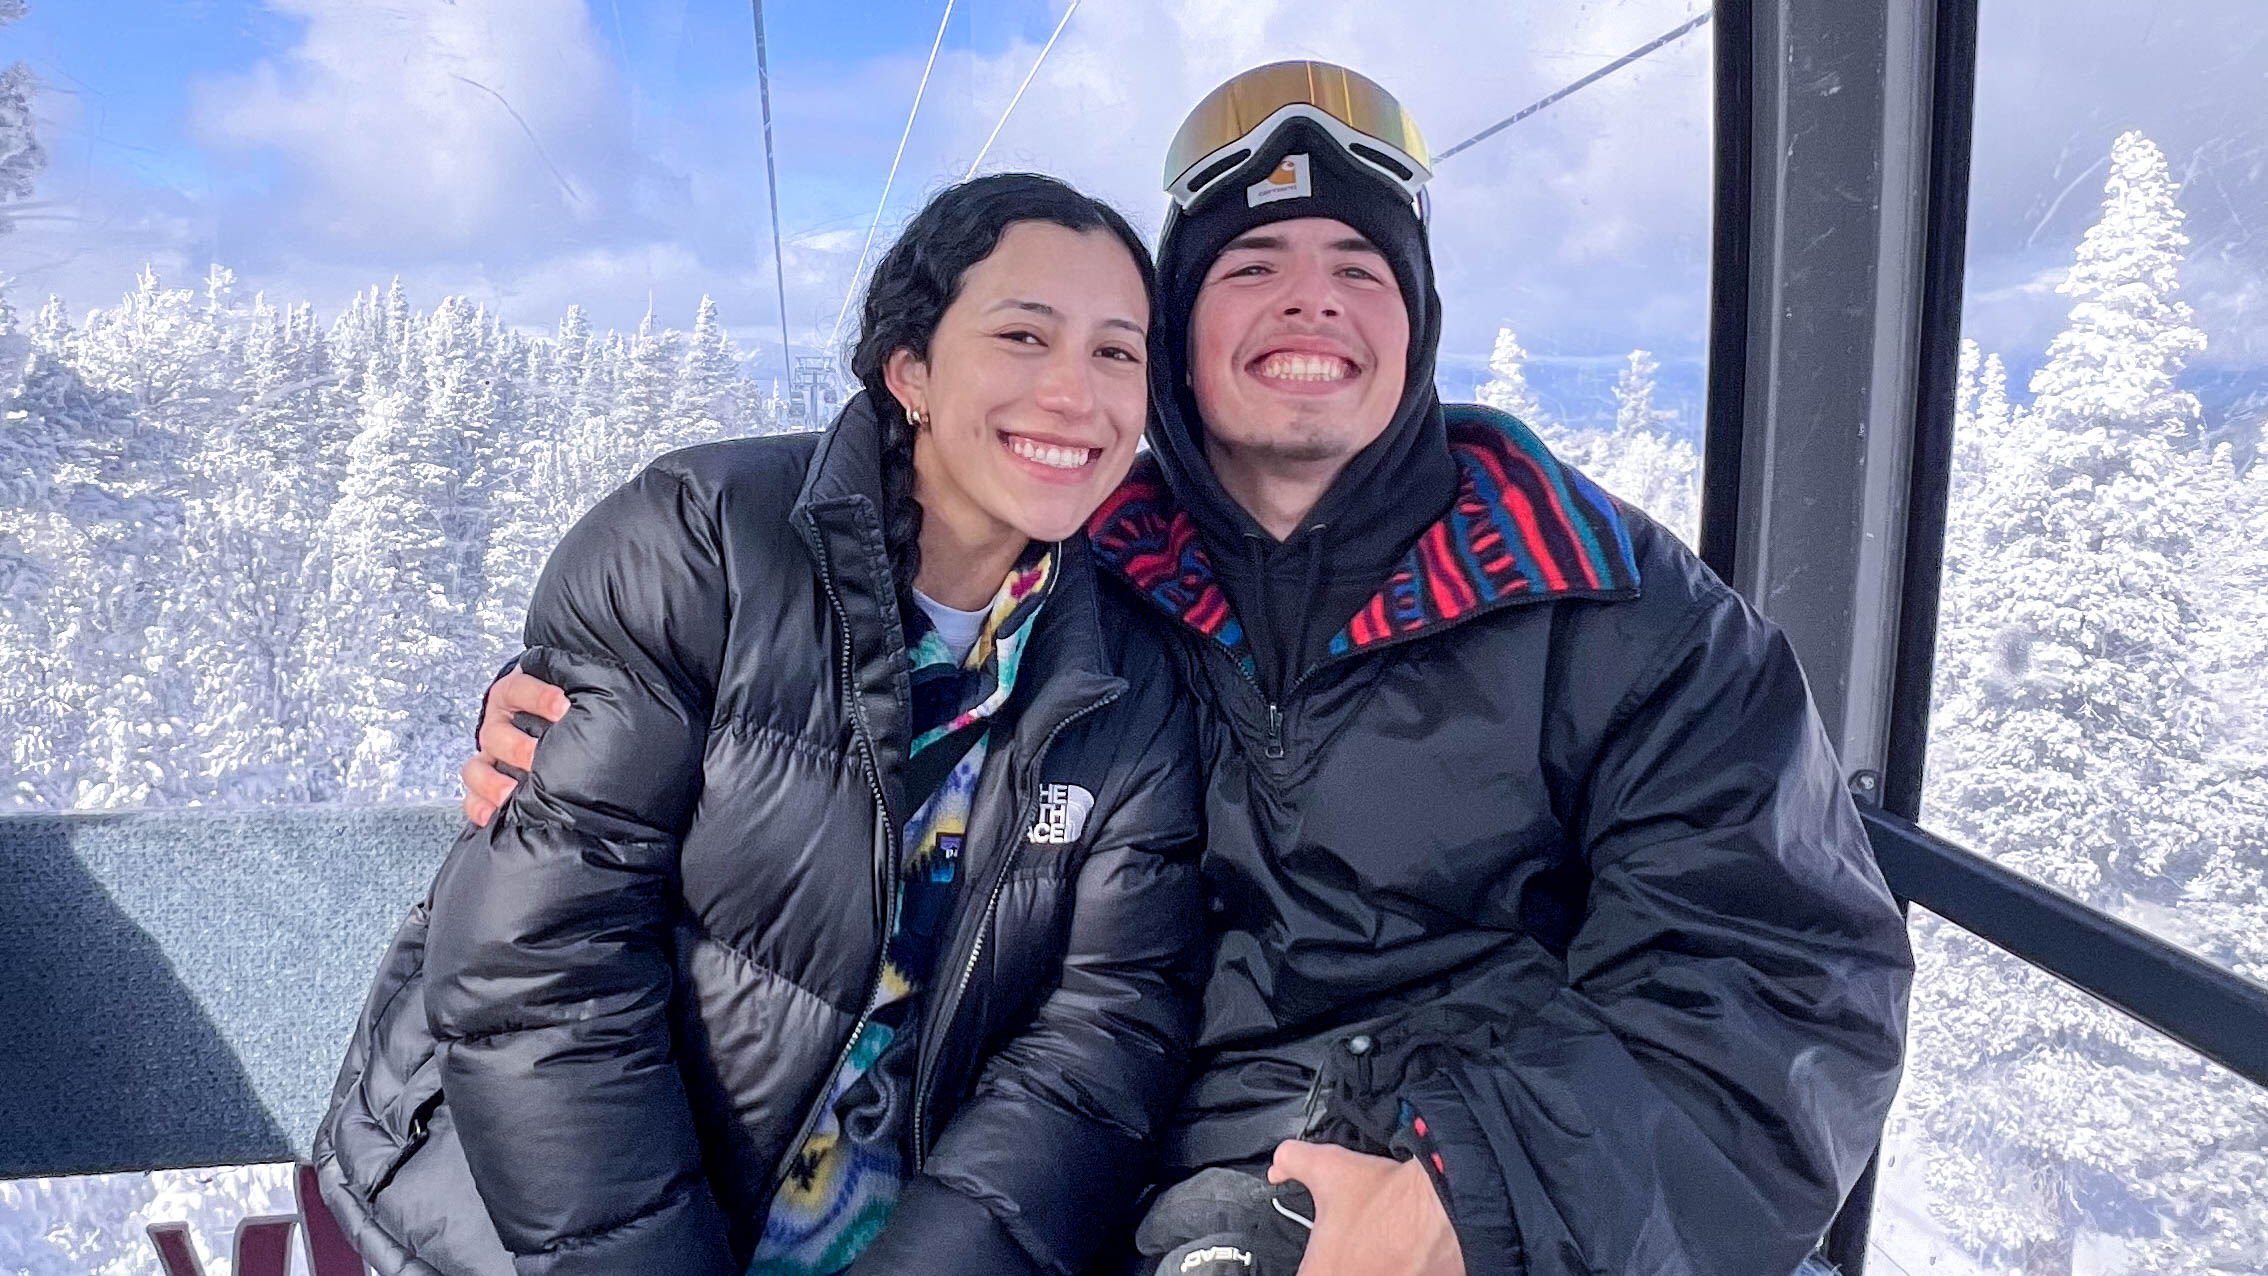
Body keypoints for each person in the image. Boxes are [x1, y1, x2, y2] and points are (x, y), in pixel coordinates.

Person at [465, 64, 1916, 1276]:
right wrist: (577, 735)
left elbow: (1784, 977)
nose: (1312, 304)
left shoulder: (1603, 598)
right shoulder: (1089, 587)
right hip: (1155, 1207)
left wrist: (1475, 1199)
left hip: (1512, 1196)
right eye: (1252, 269)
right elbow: (830, 732)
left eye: (1361, 267)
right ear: (1181, 346)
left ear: (1415, 326)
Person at [313, 173, 1210, 1276]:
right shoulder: (701, 548)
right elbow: (541, 964)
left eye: (1119, 352)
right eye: (1025, 335)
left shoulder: (1126, 678)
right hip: (526, 1223)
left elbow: (1095, 1039)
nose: (1077, 393)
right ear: (910, 368)